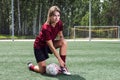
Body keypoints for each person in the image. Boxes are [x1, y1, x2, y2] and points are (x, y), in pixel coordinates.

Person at [27, 6, 71, 75]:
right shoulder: (46, 28)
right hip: (39, 47)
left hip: (48, 44)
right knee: (43, 70)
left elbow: (61, 35)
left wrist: (62, 41)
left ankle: (63, 68)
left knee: (64, 42)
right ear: (50, 16)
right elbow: (52, 47)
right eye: (54, 16)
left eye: (58, 15)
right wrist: (60, 60)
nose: (57, 18)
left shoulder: (59, 23)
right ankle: (31, 67)